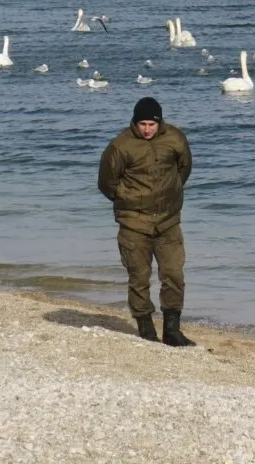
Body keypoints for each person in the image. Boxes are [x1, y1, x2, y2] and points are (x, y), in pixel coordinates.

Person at [98, 97, 195, 347]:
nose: (147, 129)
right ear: (135, 122)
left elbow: (183, 170)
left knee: (173, 274)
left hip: (168, 222)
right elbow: (107, 183)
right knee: (139, 277)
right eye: (142, 124)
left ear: (159, 122)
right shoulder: (121, 145)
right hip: (134, 224)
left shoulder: (175, 138)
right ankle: (146, 329)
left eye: (152, 124)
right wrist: (130, 200)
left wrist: (169, 195)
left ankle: (172, 330)